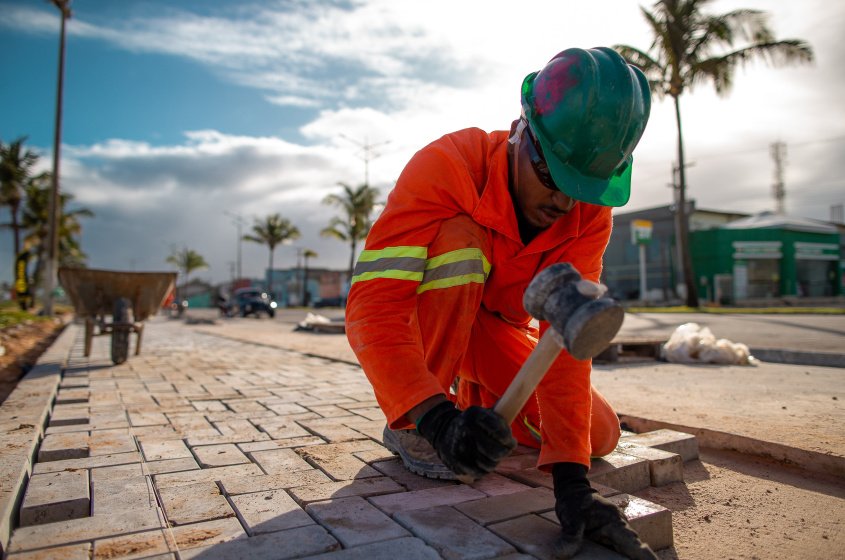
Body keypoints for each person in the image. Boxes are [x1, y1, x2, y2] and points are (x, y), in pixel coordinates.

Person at [346, 47, 655, 559]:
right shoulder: (446, 166)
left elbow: (565, 340)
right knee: (461, 242)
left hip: (491, 333)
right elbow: (373, 306)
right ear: (520, 131)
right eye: (553, 176)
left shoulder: (587, 215)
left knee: (596, 436)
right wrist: (433, 419)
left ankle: (472, 411)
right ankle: (416, 424)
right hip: (432, 328)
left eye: (582, 188)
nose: (564, 204)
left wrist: (572, 489)